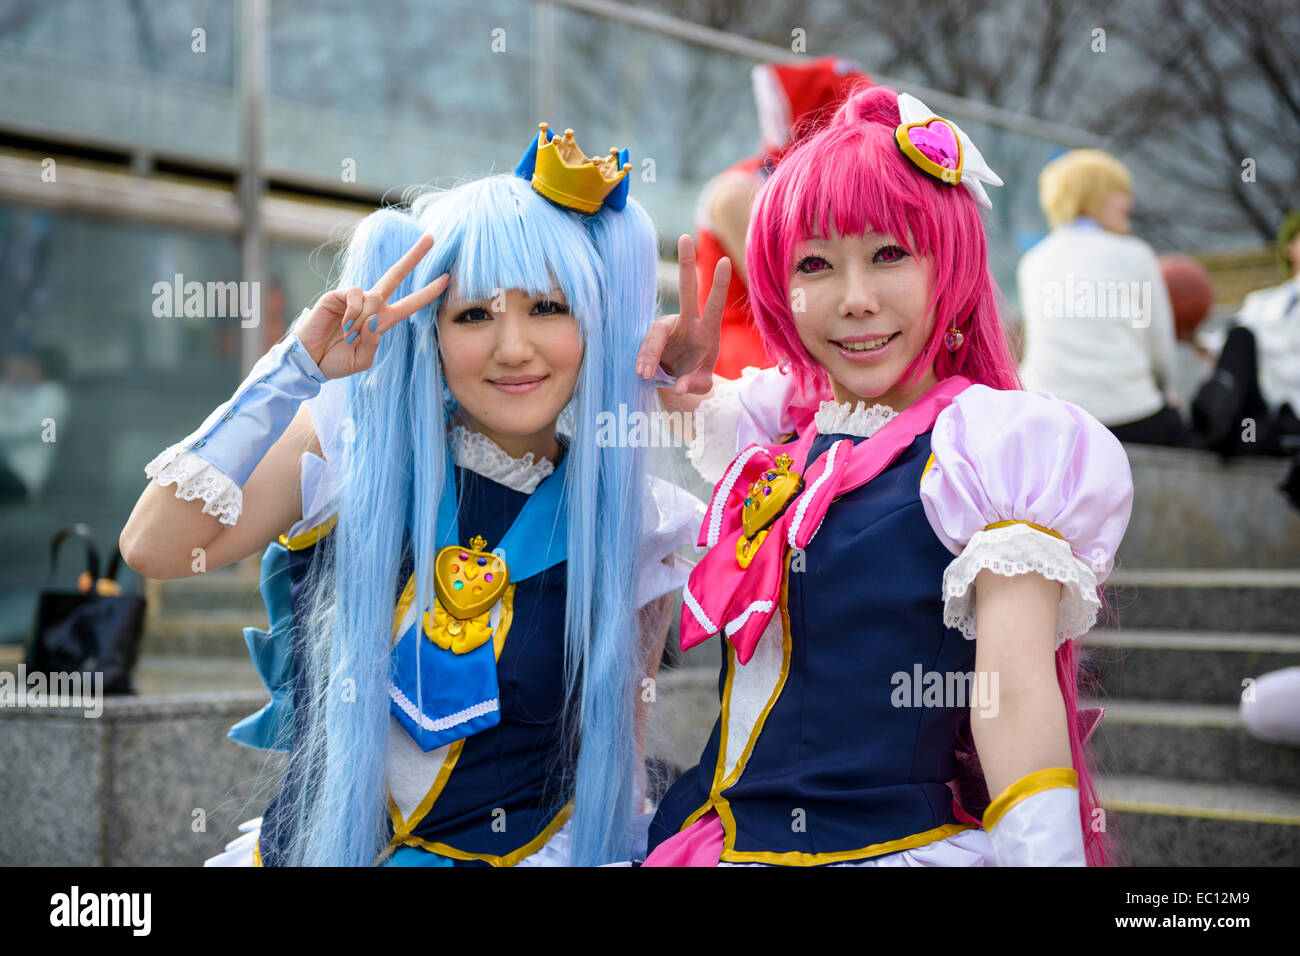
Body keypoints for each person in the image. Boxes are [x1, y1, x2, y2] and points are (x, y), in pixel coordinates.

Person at [120, 123, 724, 867]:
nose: (513, 348)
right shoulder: (350, 449)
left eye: (548, 308)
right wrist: (296, 370)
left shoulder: (631, 523)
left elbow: (619, 760)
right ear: (431, 332)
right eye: (474, 314)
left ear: (592, 324)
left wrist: (678, 399)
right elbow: (154, 547)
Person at [639, 87, 1133, 866]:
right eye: (815, 265)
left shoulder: (994, 450)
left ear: (953, 264)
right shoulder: (787, 433)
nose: (856, 299)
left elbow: (1010, 694)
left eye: (890, 253)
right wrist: (666, 384)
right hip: (708, 841)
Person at [695, 56, 869, 379]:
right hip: (747, 364)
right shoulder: (740, 192)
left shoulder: (788, 189)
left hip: (791, 356)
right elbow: (784, 296)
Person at [1017, 149, 1187, 447]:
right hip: (1131, 418)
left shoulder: (1033, 261)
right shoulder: (1137, 254)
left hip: (1051, 422)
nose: (1129, 202)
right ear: (1092, 196)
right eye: (1119, 192)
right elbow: (1160, 350)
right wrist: (1167, 391)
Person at [1191, 209, 1300, 461]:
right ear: (1290, 248)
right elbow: (1221, 351)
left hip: (1292, 417)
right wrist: (1190, 337)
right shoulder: (1261, 303)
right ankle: (1216, 422)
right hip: (1256, 413)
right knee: (1240, 336)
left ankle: (1219, 429)